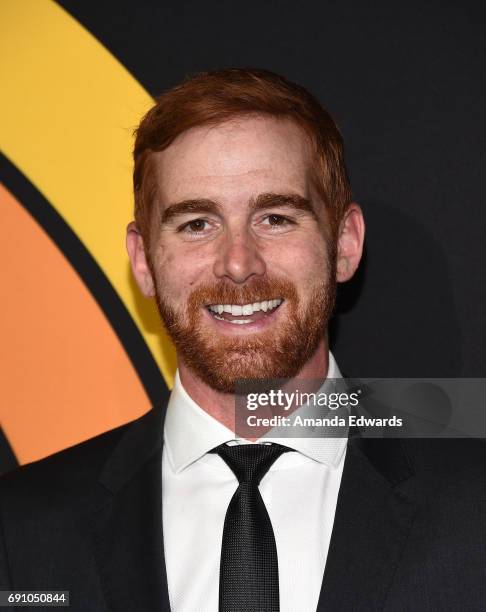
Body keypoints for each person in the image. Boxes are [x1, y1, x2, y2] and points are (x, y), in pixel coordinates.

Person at [1, 68, 486, 612]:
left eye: (275, 218)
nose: (237, 263)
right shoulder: (21, 532)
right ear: (143, 260)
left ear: (345, 243)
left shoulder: (475, 501)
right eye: (196, 224)